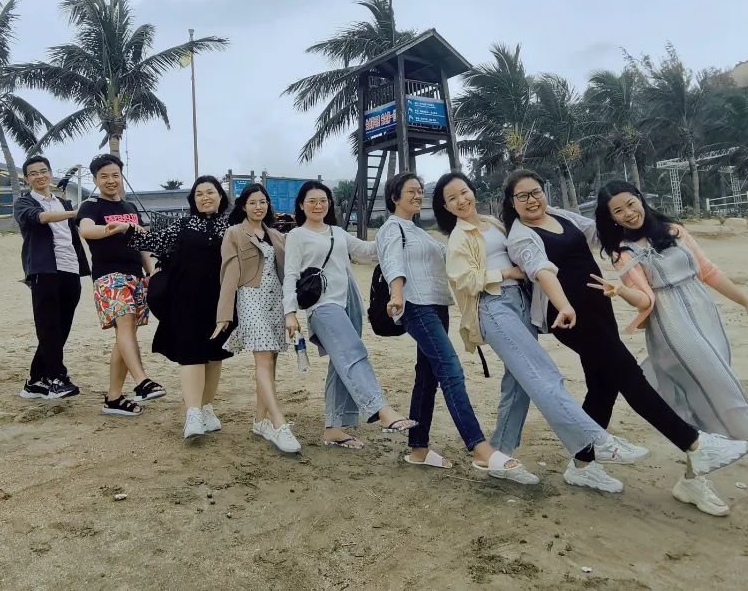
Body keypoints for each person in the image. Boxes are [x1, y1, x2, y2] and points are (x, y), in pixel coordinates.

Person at [503, 169, 748, 512]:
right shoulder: (520, 236)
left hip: (599, 306)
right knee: (629, 374)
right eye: (523, 196)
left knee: (603, 386)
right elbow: (541, 270)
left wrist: (640, 224)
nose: (532, 200)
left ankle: (583, 465)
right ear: (512, 202)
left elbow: (600, 231)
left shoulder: (559, 215)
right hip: (568, 317)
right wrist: (564, 305)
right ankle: (693, 442)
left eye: (536, 192)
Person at [594, 181, 748, 519]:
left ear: (641, 198)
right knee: (728, 398)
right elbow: (645, 299)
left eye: (630, 204)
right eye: (618, 211)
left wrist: (746, 302)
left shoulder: (674, 230)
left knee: (706, 402)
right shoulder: (624, 251)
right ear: (612, 218)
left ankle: (692, 482)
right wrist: (621, 291)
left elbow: (707, 271)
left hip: (706, 318)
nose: (628, 213)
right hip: (674, 329)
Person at [434, 171, 628, 493]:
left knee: (519, 384)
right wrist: (507, 272)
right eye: (452, 199)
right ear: (446, 207)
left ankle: (500, 455)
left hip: (521, 303)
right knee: (542, 373)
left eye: (464, 192)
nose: (461, 200)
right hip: (493, 305)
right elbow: (462, 279)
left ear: (473, 192)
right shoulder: (458, 236)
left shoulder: (493, 223)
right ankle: (594, 440)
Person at [378, 172, 535, 481]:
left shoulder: (419, 231)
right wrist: (396, 293)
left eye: (420, 191)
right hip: (416, 305)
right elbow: (391, 262)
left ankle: (418, 449)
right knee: (451, 371)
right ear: (395, 197)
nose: (417, 195)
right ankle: (480, 448)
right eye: (411, 191)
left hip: (437, 305)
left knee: (427, 376)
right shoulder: (391, 228)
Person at [282, 180, 417, 450]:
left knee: (340, 362)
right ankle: (380, 408)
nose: (318, 205)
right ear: (301, 205)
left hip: (349, 302)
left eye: (323, 200)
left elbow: (367, 252)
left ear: (329, 204)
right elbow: (290, 275)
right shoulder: (297, 235)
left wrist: (393, 230)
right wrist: (290, 312)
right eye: (312, 201)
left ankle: (333, 427)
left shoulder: (337, 232)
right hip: (322, 306)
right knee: (353, 352)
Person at [129, 175, 232, 439]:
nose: (205, 197)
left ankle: (206, 408)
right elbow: (153, 242)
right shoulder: (184, 225)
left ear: (220, 196)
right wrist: (128, 230)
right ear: (193, 200)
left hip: (220, 301)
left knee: (215, 355)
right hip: (186, 299)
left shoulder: (232, 226)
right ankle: (193, 414)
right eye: (199, 194)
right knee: (191, 354)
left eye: (210, 192)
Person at [76, 154, 166, 418]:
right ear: (95, 180)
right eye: (104, 176)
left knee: (125, 335)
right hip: (108, 276)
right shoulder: (90, 206)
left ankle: (113, 398)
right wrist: (114, 228)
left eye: (115, 175)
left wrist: (152, 274)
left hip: (135, 277)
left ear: (121, 176)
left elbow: (142, 244)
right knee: (125, 325)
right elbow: (86, 230)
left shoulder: (130, 206)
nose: (110, 180)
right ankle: (142, 382)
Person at [215, 184, 301, 454]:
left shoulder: (276, 235)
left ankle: (260, 420)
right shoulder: (234, 233)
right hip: (250, 297)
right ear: (243, 206)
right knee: (263, 357)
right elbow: (229, 273)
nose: (258, 207)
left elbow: (289, 272)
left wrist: (291, 309)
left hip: (276, 299)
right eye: (252, 202)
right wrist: (224, 315)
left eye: (262, 202)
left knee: (271, 360)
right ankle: (279, 424)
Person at [13, 155, 90, 401]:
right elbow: (41, 218)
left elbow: (84, 228)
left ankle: (35, 381)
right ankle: (57, 378)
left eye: (43, 171)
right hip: (43, 270)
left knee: (61, 327)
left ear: (50, 173)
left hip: (70, 269)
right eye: (33, 173)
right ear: (27, 179)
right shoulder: (24, 203)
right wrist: (74, 212)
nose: (40, 176)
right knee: (48, 326)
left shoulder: (62, 203)